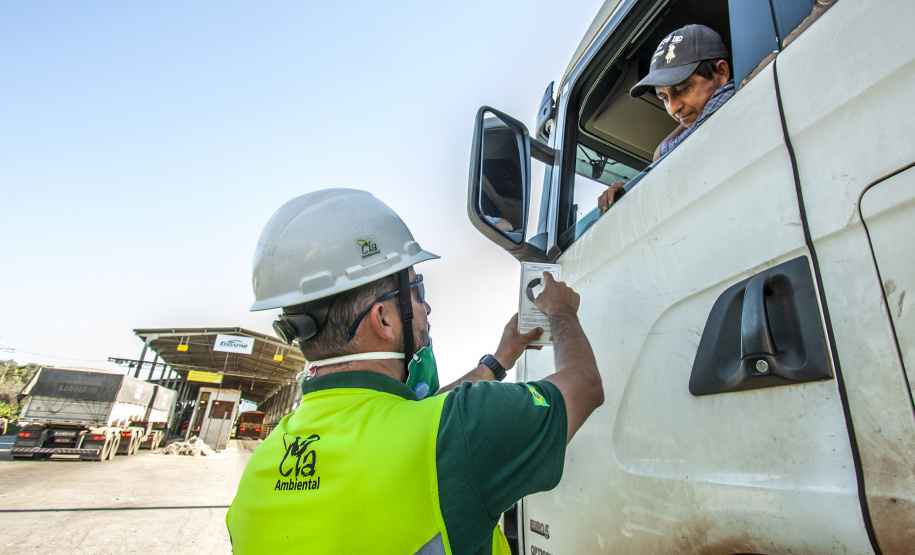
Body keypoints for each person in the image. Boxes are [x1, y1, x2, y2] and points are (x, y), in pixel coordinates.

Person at [225, 189, 603, 554]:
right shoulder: (461, 431)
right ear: (384, 319)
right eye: (417, 291)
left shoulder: (260, 467)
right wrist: (560, 311)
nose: (427, 307)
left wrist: (499, 359)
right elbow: (583, 386)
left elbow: (413, 426)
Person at [598, 24, 734, 213]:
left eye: (682, 89)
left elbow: (660, 155)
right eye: (664, 98)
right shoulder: (704, 125)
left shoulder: (731, 97)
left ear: (721, 72)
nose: (673, 107)